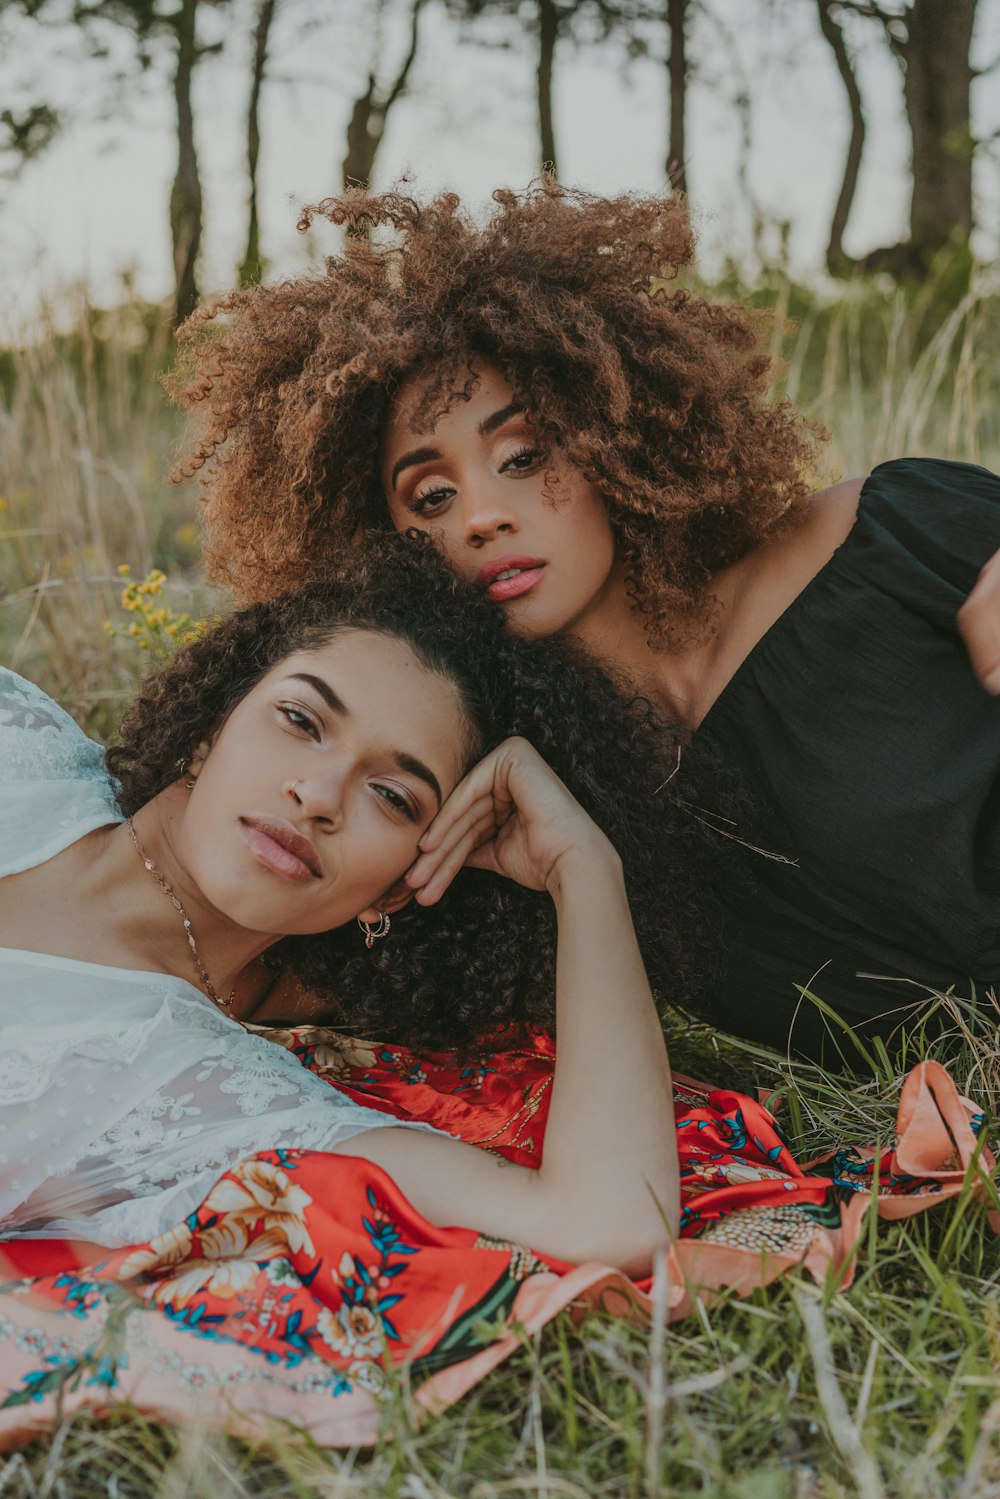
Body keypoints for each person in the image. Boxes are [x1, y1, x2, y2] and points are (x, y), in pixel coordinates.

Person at [170, 183, 1000, 1061]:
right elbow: (257, 965)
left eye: (524, 456)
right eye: (432, 495)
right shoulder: (505, 802)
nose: (481, 517)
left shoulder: (885, 535)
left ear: (613, 430)